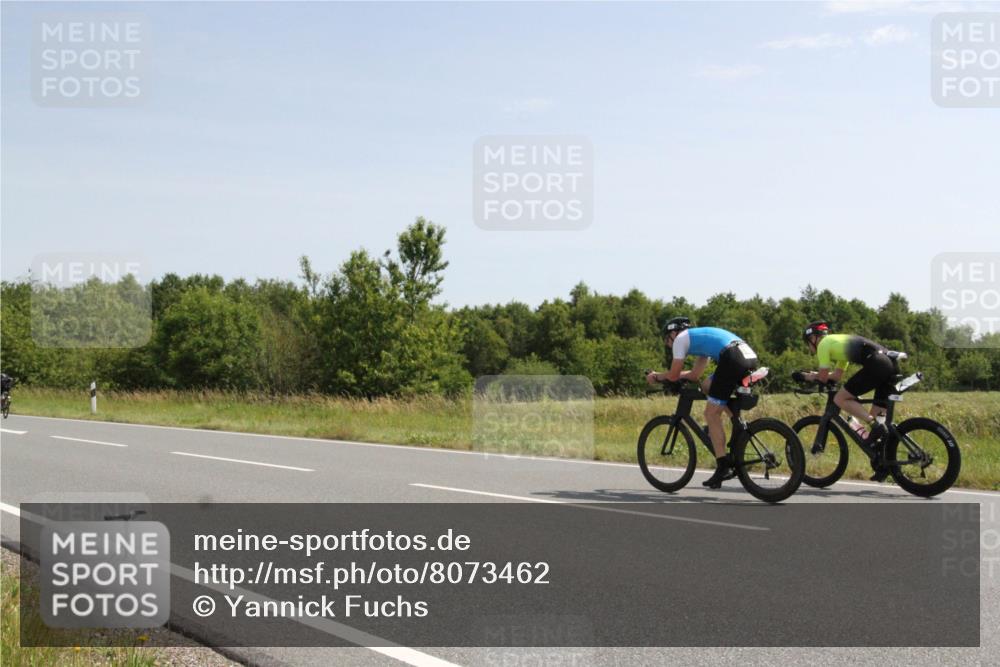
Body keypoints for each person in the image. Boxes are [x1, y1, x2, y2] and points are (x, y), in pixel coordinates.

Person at [646, 317, 759, 488]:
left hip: (732, 357)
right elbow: (694, 375)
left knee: (711, 414)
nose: (667, 342)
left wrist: (656, 377)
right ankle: (736, 422)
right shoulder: (698, 341)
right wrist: (673, 375)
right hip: (746, 355)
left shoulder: (680, 340)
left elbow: (674, 375)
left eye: (667, 337)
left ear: (674, 333)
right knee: (707, 386)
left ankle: (723, 467)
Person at [795, 321, 894, 481]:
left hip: (877, 364)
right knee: (880, 426)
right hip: (889, 363)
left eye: (807, 343)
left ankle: (873, 425)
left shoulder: (823, 345)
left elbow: (822, 377)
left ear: (813, 338)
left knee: (840, 398)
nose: (809, 347)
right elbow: (836, 376)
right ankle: (884, 463)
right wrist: (817, 374)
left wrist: (803, 376)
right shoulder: (838, 344)